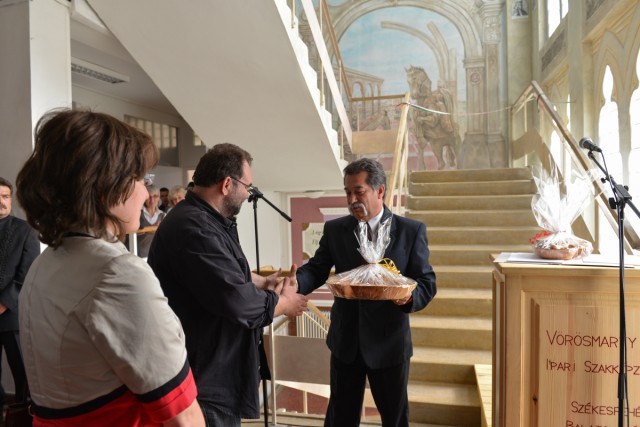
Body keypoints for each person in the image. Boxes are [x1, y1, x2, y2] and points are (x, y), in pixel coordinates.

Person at [15, 109, 205, 426]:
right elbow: (183, 416)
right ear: (105, 184)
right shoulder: (117, 274)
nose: (146, 192)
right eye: (140, 179)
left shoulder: (46, 263)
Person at [147, 143, 308, 426]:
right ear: (226, 184)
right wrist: (285, 304)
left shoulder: (206, 220)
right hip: (207, 381)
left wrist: (263, 282)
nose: (248, 194)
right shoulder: (194, 227)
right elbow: (237, 301)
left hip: (214, 373)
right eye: (247, 186)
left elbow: (223, 273)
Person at [295, 158, 437, 427]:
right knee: (340, 419)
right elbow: (316, 269)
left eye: (358, 191)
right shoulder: (336, 230)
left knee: (395, 419)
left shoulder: (410, 231)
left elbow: (427, 282)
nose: (351, 199)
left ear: (379, 190)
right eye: (347, 192)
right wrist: (294, 284)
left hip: (389, 344)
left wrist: (408, 297)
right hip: (345, 342)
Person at [0, 177, 39, 414]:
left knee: (22, 371)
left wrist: (3, 303)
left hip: (13, 313)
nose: (1, 201)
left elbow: (28, 273)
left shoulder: (26, 230)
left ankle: (25, 415)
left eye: (5, 196)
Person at [137, 185, 165, 258]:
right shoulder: (137, 214)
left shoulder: (163, 215)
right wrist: (151, 229)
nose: (152, 200)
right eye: (149, 197)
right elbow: (131, 234)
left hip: (158, 254)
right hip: (140, 255)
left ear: (159, 197)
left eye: (155, 196)